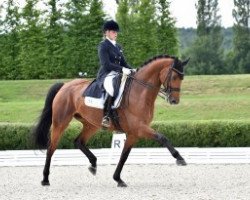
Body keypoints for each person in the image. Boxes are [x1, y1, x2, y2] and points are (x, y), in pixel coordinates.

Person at [96, 20, 132, 128]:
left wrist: (133, 70)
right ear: (106, 32)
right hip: (106, 74)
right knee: (111, 86)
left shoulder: (118, 46)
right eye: (113, 31)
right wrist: (122, 69)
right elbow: (106, 64)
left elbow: (124, 63)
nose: (116, 33)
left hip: (118, 73)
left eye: (116, 32)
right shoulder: (103, 46)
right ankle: (106, 116)